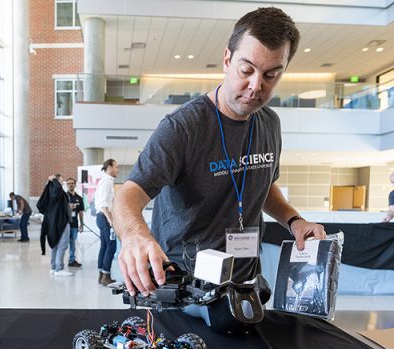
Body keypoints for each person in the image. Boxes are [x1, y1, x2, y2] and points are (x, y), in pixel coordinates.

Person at [113, 7, 326, 327]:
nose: (256, 86)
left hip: (244, 288)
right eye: (247, 69)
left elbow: (264, 183)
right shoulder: (182, 128)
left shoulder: (270, 124)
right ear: (227, 60)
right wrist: (134, 235)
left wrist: (294, 220)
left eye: (271, 75)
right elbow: (128, 194)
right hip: (186, 294)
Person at [37, 174, 73, 277]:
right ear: (56, 182)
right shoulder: (56, 191)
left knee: (55, 244)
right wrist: (53, 179)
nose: (62, 183)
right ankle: (59, 268)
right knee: (62, 245)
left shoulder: (50, 192)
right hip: (61, 222)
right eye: (61, 181)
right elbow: (58, 188)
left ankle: (53, 267)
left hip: (53, 222)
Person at [94, 159, 119, 286]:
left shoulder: (104, 181)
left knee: (104, 245)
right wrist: (110, 220)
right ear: (109, 167)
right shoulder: (107, 181)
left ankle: (101, 275)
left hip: (101, 217)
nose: (117, 170)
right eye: (116, 167)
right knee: (111, 245)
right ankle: (106, 276)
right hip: (105, 217)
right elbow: (103, 204)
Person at [66, 177, 84, 267]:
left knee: (72, 242)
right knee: (63, 243)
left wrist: (81, 224)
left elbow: (80, 212)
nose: (70, 185)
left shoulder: (79, 198)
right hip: (64, 224)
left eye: (72, 183)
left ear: (75, 185)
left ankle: (72, 260)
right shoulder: (63, 197)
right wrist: (68, 207)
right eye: (69, 183)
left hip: (74, 224)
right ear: (66, 185)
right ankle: (58, 262)